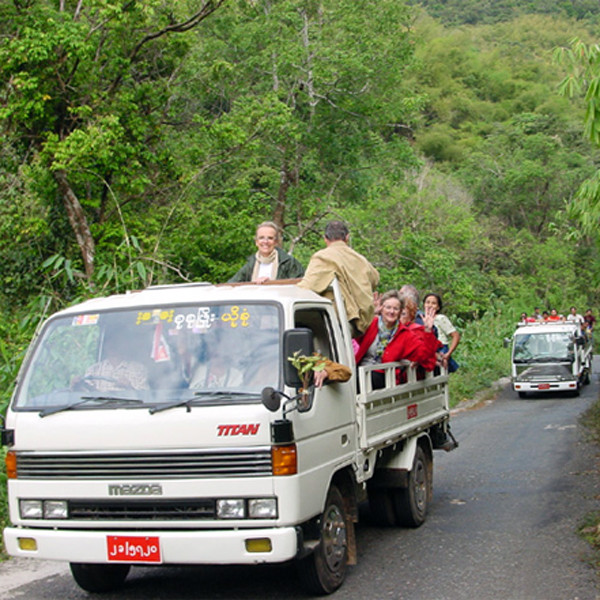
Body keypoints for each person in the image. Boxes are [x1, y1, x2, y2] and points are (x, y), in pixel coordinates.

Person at [297, 220, 380, 337]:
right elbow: (375, 279)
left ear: (325, 239)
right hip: (361, 323)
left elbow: (306, 288)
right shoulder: (361, 259)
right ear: (347, 238)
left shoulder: (323, 257)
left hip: (339, 323)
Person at [228, 221, 304, 283]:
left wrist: (270, 284)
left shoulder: (289, 263)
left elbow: (301, 286)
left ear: (276, 242)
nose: (265, 242)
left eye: (270, 238)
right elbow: (231, 285)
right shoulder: (250, 264)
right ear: (256, 242)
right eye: (261, 238)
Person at [78, 331, 149, 392]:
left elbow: (145, 398)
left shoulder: (138, 369)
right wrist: (77, 386)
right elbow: (86, 396)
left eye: (117, 341)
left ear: (125, 345)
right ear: (104, 345)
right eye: (109, 341)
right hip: (98, 407)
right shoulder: (94, 369)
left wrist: (129, 387)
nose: (113, 345)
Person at [423, 293, 461, 372]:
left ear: (438, 307)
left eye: (433, 303)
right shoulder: (421, 318)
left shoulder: (440, 318)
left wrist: (448, 353)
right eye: (427, 302)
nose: (430, 305)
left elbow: (455, 335)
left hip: (441, 348)